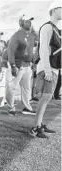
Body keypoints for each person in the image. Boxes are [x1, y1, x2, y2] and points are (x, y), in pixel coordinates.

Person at [29, 0, 61, 138]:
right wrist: (47, 70)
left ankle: (39, 124)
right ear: (54, 10)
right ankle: (35, 127)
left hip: (54, 68)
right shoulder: (47, 27)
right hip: (48, 68)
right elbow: (43, 50)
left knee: (47, 98)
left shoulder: (56, 29)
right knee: (46, 97)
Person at [6, 15, 36, 116]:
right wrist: (13, 65)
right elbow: (10, 51)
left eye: (30, 21)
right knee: (12, 87)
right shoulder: (16, 35)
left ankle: (27, 107)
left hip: (28, 65)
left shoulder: (31, 35)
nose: (30, 23)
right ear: (22, 23)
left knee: (27, 88)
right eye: (28, 21)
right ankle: (11, 108)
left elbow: (36, 44)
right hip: (19, 65)